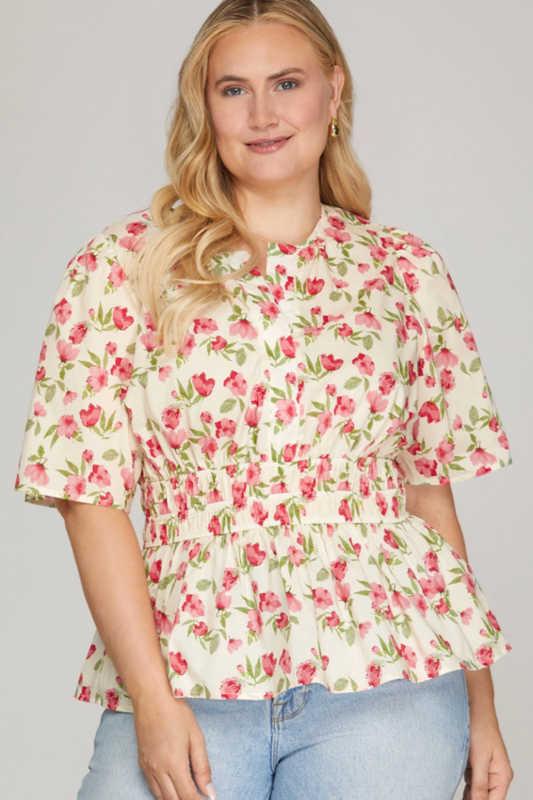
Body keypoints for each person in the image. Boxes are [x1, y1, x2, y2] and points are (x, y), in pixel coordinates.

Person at [13, 1, 515, 799]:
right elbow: (89, 499)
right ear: (202, 106)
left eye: (286, 82)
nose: (263, 114)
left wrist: (481, 706)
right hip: (186, 676)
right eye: (232, 90)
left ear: (333, 89)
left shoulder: (404, 272)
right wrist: (149, 698)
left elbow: (427, 494)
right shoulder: (120, 267)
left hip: (391, 685)